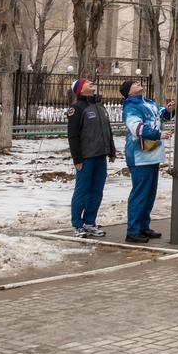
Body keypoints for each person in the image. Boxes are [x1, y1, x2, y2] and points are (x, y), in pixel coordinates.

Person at [120, 79, 175, 244]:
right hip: (139, 155)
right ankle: (133, 231)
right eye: (134, 84)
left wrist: (168, 110)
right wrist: (158, 135)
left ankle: (144, 226)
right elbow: (136, 128)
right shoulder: (130, 107)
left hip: (152, 154)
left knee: (149, 194)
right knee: (140, 193)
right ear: (128, 92)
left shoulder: (148, 103)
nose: (138, 83)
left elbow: (161, 116)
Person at [66, 76, 116, 238]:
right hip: (86, 158)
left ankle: (89, 222)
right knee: (82, 191)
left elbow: (108, 130)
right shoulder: (77, 108)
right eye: (87, 82)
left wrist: (112, 150)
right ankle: (77, 225)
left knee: (96, 191)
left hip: (100, 156)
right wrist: (77, 159)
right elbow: (73, 136)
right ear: (80, 89)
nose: (91, 83)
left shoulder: (99, 106)